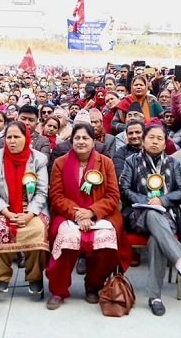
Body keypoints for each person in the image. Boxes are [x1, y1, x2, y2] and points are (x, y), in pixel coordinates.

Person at [45, 123, 129, 310]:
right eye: (77, 138)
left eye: (85, 138)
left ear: (93, 141)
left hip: (101, 214)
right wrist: (78, 214)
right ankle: (58, 290)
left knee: (106, 243)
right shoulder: (60, 163)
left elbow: (113, 196)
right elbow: (56, 196)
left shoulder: (105, 162)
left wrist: (91, 212)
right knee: (66, 238)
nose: (81, 141)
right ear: (71, 140)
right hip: (69, 213)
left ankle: (93, 286)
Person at [119, 124, 181, 316]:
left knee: (157, 239)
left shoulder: (172, 163)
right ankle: (180, 261)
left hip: (166, 216)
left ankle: (155, 297)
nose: (154, 141)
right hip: (138, 216)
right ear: (144, 139)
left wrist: (162, 200)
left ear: (165, 143)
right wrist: (147, 201)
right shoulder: (132, 161)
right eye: (151, 137)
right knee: (153, 213)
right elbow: (124, 189)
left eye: (159, 138)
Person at [0, 121, 50, 294]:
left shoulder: (38, 159)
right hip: (4, 208)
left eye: (16, 137)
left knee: (39, 231)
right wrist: (7, 212)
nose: (12, 141)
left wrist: (29, 214)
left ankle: (35, 277)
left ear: (26, 139)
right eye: (8, 137)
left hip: (32, 209)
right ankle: (1, 277)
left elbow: (41, 192)